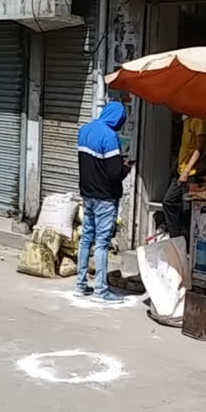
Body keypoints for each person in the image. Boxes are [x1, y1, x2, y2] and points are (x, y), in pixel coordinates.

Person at [75, 101, 131, 304]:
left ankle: (80, 285)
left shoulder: (84, 130)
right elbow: (114, 173)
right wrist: (126, 167)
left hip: (87, 194)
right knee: (101, 243)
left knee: (85, 239)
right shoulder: (109, 137)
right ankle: (101, 290)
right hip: (105, 198)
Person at [162, 115, 206, 238]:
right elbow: (185, 147)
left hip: (191, 174)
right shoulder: (187, 120)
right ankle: (176, 237)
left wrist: (187, 171)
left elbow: (199, 148)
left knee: (187, 210)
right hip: (180, 171)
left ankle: (186, 241)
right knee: (169, 201)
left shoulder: (199, 119)